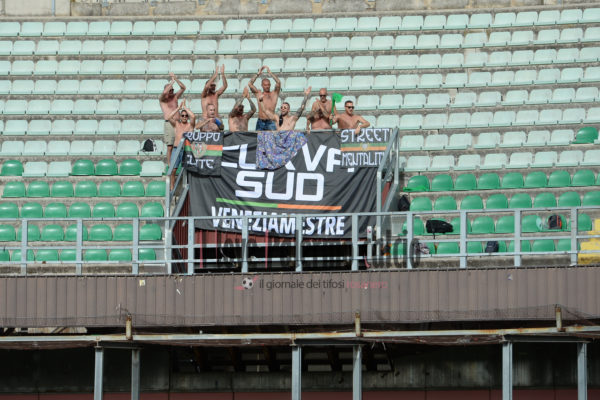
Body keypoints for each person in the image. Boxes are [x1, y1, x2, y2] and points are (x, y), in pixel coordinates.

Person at [166, 99, 195, 190]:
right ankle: (172, 188)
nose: (184, 117)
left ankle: (186, 189)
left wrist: (185, 108)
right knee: (173, 170)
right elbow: (169, 117)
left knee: (187, 170)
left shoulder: (190, 126)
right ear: (180, 116)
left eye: (186, 115)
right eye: (182, 115)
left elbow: (193, 116)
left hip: (186, 150)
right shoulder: (177, 124)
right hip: (176, 149)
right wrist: (178, 108)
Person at [159, 72, 186, 166]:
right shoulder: (163, 99)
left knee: (180, 144)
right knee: (170, 146)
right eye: (170, 90)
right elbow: (164, 93)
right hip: (169, 123)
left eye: (172, 90)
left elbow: (183, 88)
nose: (172, 91)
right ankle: (170, 165)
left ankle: (179, 163)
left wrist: (175, 79)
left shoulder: (175, 97)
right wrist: (171, 82)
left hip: (177, 123)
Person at [248, 65, 281, 131]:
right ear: (262, 85)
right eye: (265, 85)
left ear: (270, 85)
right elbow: (250, 84)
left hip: (271, 122)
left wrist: (270, 73)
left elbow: (278, 82)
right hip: (260, 121)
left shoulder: (274, 94)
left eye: (268, 85)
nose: (267, 86)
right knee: (258, 137)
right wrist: (258, 74)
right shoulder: (258, 93)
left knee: (272, 137)